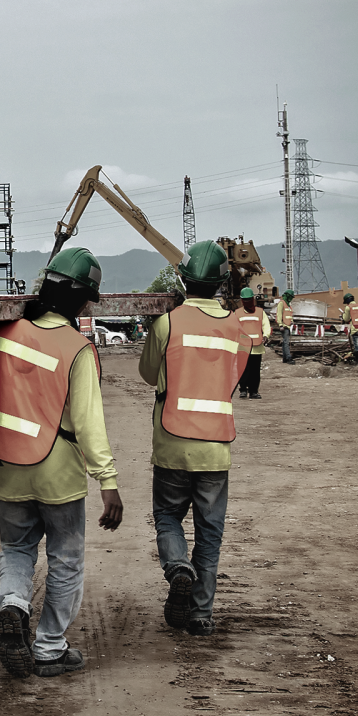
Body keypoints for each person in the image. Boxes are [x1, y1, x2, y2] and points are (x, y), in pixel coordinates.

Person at [0, 247, 123, 679]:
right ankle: (48, 647)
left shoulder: (3, 334)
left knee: (16, 548)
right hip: (58, 472)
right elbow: (89, 423)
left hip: (7, 467)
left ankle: (13, 606)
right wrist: (108, 480)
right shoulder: (77, 348)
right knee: (65, 559)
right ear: (80, 300)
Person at [138, 241, 249, 638]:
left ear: (182, 280)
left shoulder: (167, 324)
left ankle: (177, 567)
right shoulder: (237, 328)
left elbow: (150, 375)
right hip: (216, 449)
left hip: (171, 443)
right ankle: (201, 614)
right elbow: (233, 380)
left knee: (168, 517)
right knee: (210, 533)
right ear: (222, 283)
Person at [234, 288, 270, 399]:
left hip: (257, 347)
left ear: (253, 299)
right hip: (242, 347)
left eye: (249, 300)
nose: (247, 302)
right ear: (241, 300)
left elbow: (266, 325)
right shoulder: (237, 313)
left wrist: (266, 335)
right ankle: (243, 389)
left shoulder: (260, 312)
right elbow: (234, 328)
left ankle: (254, 391)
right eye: (245, 300)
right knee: (243, 370)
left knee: (254, 371)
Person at [341, 293, 358, 363]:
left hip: (355, 329)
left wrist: (343, 315)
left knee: (357, 347)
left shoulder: (348, 307)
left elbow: (346, 319)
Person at [274, 290, 295, 364]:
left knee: (285, 342)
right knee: (286, 342)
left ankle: (285, 358)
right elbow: (279, 314)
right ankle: (288, 358)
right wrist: (280, 325)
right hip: (284, 326)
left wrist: (292, 321)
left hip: (288, 326)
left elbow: (289, 314)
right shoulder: (281, 303)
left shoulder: (288, 305)